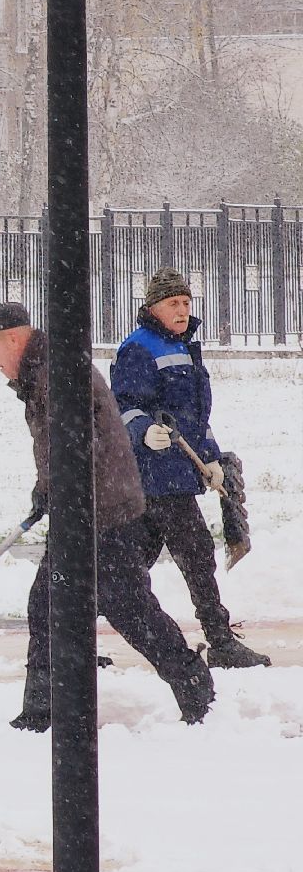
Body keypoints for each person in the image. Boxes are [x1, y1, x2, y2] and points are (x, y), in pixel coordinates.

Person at [0, 302, 215, 730]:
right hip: (84, 509)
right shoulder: (43, 372)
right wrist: (47, 491)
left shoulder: (57, 373)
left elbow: (83, 446)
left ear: (13, 338)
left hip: (100, 513)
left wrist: (63, 493)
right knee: (49, 605)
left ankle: (192, 682)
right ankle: (43, 711)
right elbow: (60, 447)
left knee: (129, 609)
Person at [110, 267, 271, 669]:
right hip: (153, 475)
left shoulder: (184, 347)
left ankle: (70, 639)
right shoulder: (138, 349)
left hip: (177, 473)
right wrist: (143, 431)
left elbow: (194, 416)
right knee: (196, 554)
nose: (182, 310)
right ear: (153, 308)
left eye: (186, 302)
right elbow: (122, 405)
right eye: (173, 303)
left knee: (126, 568)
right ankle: (220, 641)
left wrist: (211, 456)